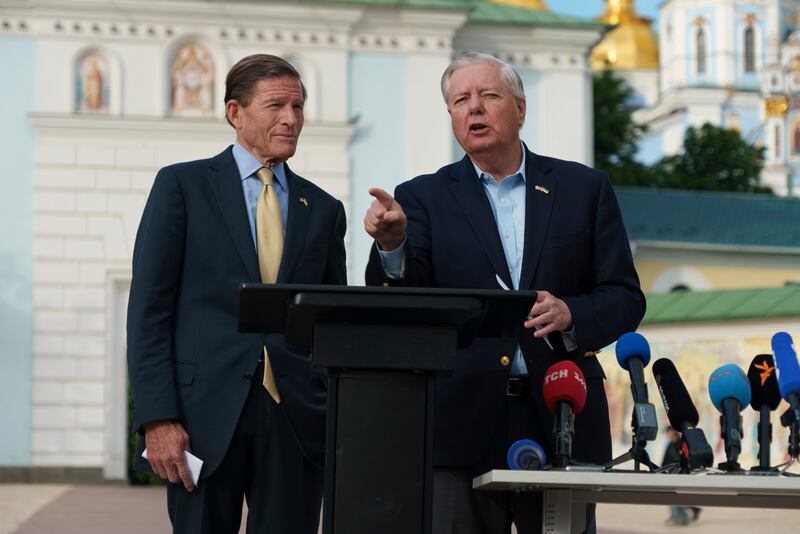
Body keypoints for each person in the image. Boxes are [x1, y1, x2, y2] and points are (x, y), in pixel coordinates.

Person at [364, 52, 645, 534]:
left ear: (519, 108)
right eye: (460, 100)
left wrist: (572, 314)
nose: (474, 108)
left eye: (488, 96)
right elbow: (405, 305)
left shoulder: (584, 188)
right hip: (459, 424)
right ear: (451, 116)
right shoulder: (422, 197)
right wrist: (393, 246)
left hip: (563, 416)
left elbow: (625, 296)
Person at [127, 54, 347, 534]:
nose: (291, 118)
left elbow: (333, 324)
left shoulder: (325, 210)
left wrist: (331, 409)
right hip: (201, 420)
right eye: (276, 105)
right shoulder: (181, 187)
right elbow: (149, 311)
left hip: (296, 421)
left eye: (298, 105)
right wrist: (157, 418)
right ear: (235, 112)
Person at [662, 427, 702, 526]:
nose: (668, 434)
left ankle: (683, 518)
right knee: (673, 496)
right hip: (672, 474)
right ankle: (684, 513)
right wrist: (661, 471)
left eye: (669, 432)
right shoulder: (670, 445)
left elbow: (688, 458)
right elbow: (665, 460)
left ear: (674, 432)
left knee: (676, 496)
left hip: (682, 474)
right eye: (667, 433)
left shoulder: (682, 443)